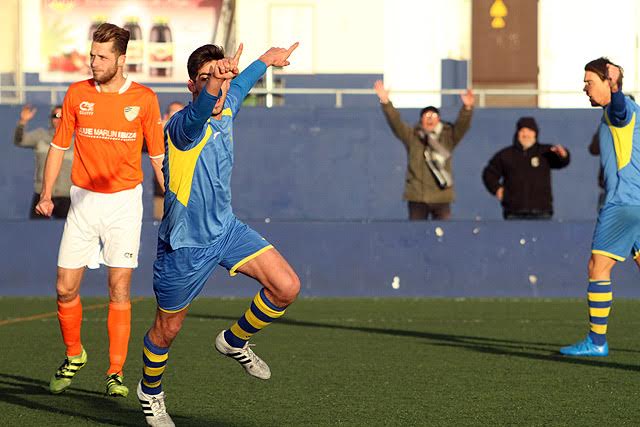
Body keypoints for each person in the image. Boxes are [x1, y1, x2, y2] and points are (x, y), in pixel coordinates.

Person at [136, 42, 301, 427]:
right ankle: (150, 391)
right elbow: (201, 109)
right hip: (185, 247)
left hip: (226, 230)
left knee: (286, 287)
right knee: (167, 329)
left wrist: (265, 59)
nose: (221, 86)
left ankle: (233, 341)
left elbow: (239, 85)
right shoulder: (180, 127)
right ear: (192, 85)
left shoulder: (226, 104)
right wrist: (216, 79)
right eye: (210, 79)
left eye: (223, 78)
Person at [36, 23, 165, 396]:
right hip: (82, 202)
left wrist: (171, 196)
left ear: (121, 60)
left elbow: (157, 156)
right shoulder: (77, 93)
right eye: (92, 55)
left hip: (124, 204)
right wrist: (46, 194)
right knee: (64, 288)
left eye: (102, 57)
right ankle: (74, 354)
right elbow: (59, 147)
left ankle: (115, 373)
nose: (93, 62)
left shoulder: (143, 98)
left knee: (119, 287)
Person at [560, 58, 640, 357]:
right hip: (636, 202)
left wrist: (617, 88)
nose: (585, 87)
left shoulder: (621, 110)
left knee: (598, 266)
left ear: (610, 83)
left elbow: (618, 109)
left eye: (590, 81)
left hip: (623, 203)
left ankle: (596, 341)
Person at [373, 80, 475, 220]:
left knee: (444, 234)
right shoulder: (412, 136)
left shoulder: (448, 137)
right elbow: (396, 123)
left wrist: (467, 108)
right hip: (417, 197)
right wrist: (385, 101)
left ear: (439, 119)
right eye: (426, 116)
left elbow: (462, 126)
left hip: (441, 197)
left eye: (433, 116)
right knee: (416, 234)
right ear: (421, 119)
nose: (430, 119)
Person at [482, 117, 570, 220]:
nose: (526, 134)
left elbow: (561, 162)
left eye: (529, 131)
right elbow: (489, 173)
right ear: (517, 133)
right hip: (513, 212)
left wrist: (563, 155)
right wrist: (497, 189)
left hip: (542, 212)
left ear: (535, 133)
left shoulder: (545, 152)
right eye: (522, 131)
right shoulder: (506, 155)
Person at [13, 104, 73, 219]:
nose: (58, 119)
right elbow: (19, 141)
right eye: (55, 115)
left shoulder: (76, 141)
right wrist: (22, 122)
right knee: (35, 232)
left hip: (66, 197)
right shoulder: (40, 136)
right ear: (51, 118)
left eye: (62, 115)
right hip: (42, 195)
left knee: (69, 234)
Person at [148, 101, 185, 221]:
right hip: (163, 194)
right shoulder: (159, 134)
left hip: (188, 194)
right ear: (165, 117)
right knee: (161, 227)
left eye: (180, 115)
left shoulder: (192, 135)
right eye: (173, 116)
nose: (176, 120)